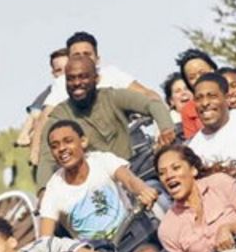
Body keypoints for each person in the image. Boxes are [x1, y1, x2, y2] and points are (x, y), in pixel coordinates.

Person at [35, 56, 180, 185]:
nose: (77, 83)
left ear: (96, 79)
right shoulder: (60, 115)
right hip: (98, 184)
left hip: (136, 170)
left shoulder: (112, 97)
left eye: (83, 77)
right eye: (71, 79)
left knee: (161, 196)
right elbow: (47, 158)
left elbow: (151, 104)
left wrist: (166, 128)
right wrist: (42, 191)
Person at [39, 120, 161, 252]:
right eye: (55, 146)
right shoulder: (54, 189)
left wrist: (143, 191)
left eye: (68, 141)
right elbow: (45, 240)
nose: (61, 149)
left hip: (132, 236)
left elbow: (130, 180)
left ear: (83, 142)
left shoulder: (101, 160)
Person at [16, 47, 71, 148]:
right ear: (53, 73)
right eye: (59, 70)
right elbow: (34, 114)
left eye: (67, 68)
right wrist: (24, 133)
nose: (64, 74)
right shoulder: (53, 89)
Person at [162, 71, 201, 137]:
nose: (184, 93)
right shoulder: (167, 124)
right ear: (171, 101)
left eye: (187, 89)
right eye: (178, 91)